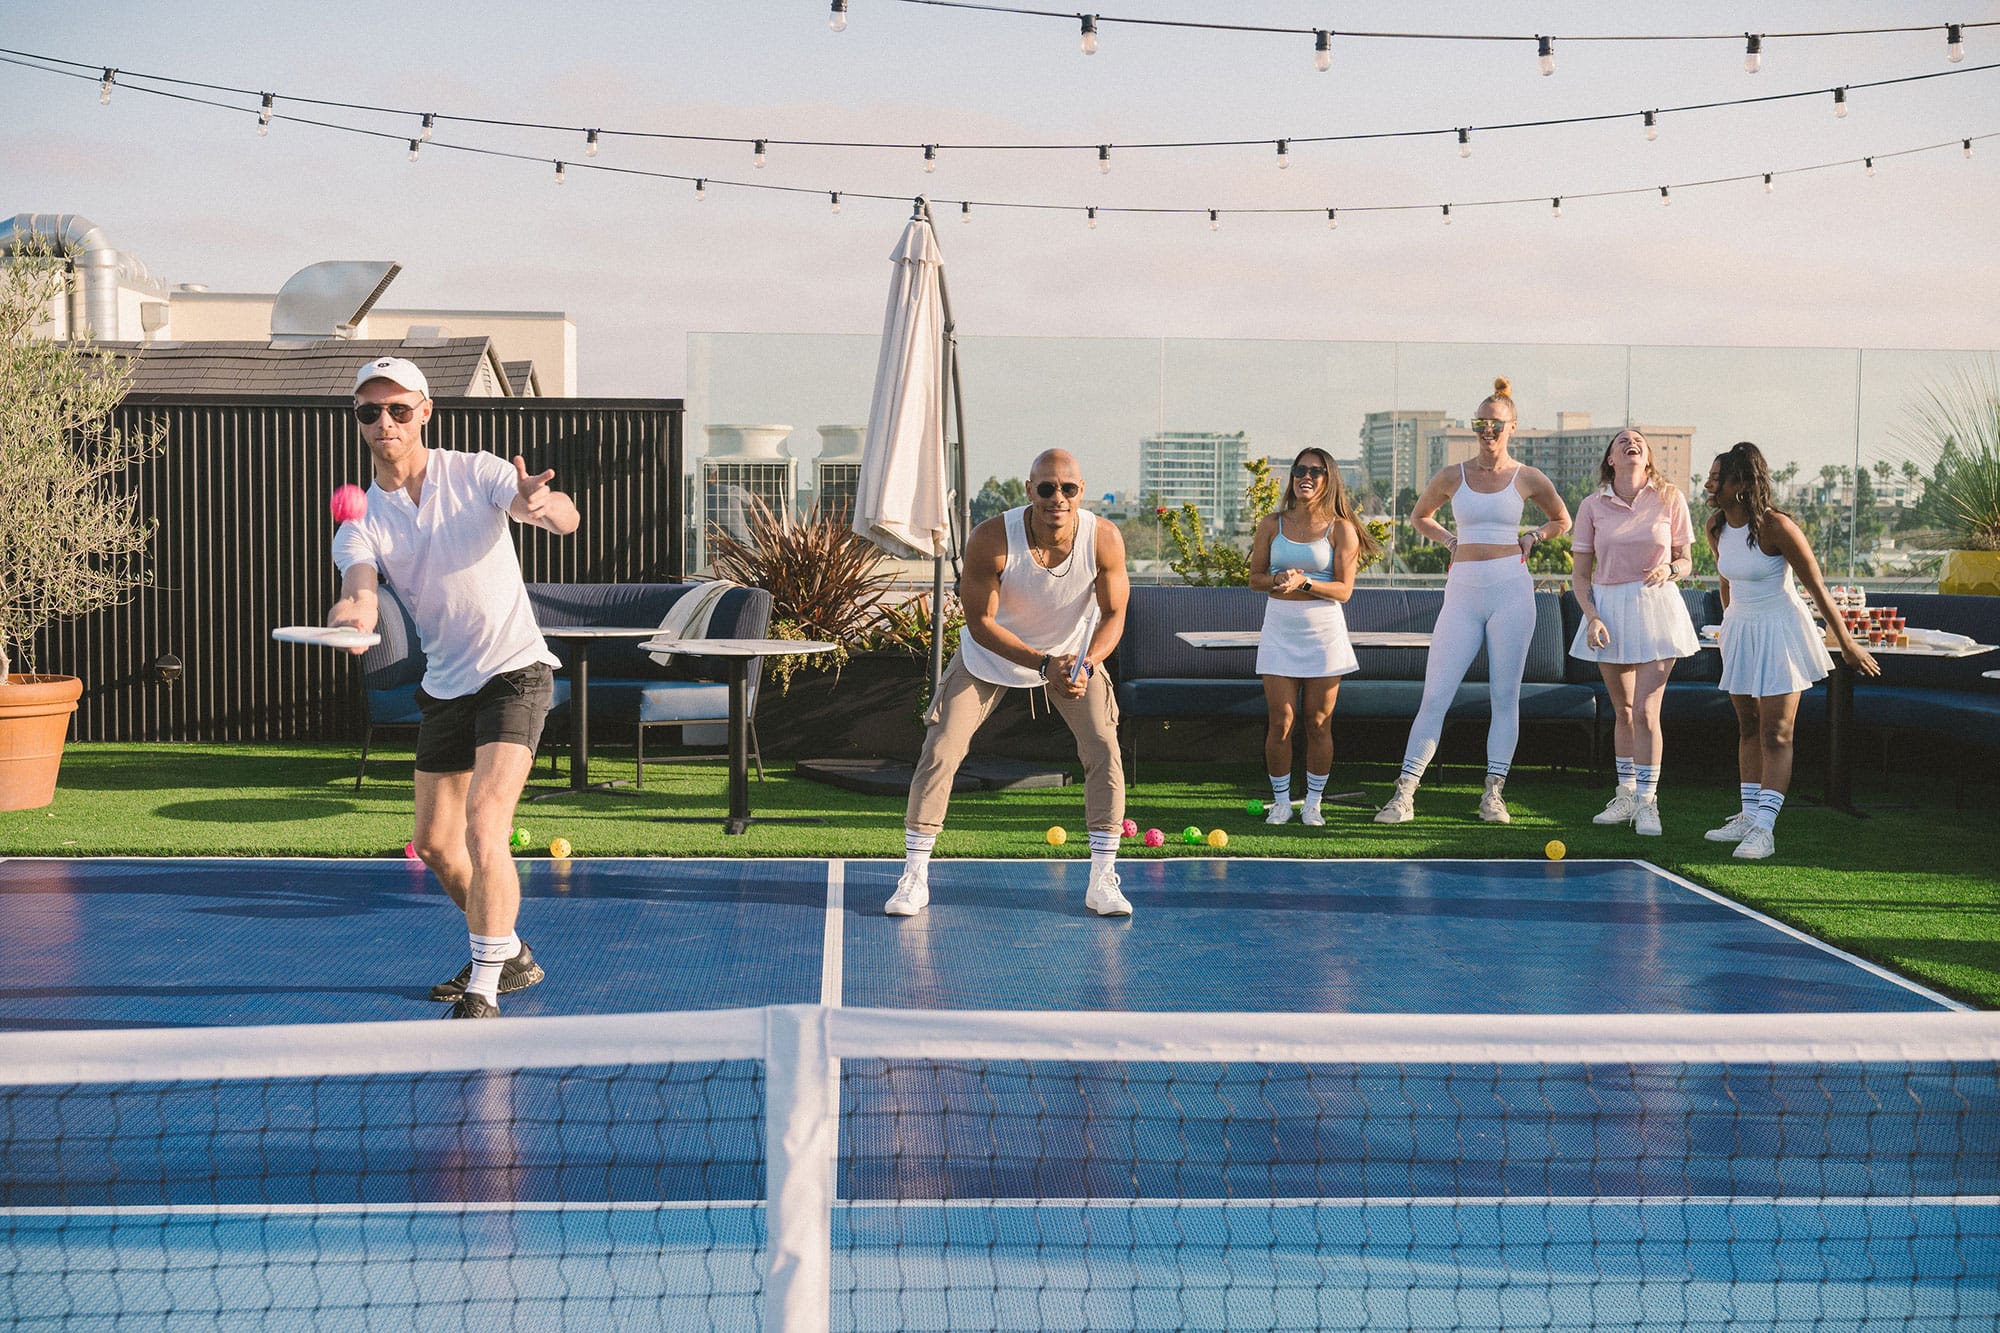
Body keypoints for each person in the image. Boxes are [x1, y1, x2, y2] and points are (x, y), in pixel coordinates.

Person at [326, 356, 581, 1016]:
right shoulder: (361, 522)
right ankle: (511, 951)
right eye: (370, 411)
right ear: (359, 421)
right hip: (446, 685)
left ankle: (485, 985)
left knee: (485, 824)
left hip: (515, 671)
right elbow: (360, 590)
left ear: (424, 413)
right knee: (437, 844)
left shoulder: (478, 472)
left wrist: (539, 502)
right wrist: (351, 615)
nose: (385, 421)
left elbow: (563, 518)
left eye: (399, 409)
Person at [886, 449, 1132, 917]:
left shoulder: (1104, 538)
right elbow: (980, 621)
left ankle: (1103, 879)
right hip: (991, 658)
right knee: (941, 749)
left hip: (1071, 658)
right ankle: (914, 876)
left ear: (1081, 491)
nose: (1057, 498)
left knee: (1103, 746)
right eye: (1046, 488)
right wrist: (1044, 665)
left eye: (1068, 489)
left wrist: (1086, 664)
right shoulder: (991, 538)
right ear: (1029, 491)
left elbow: (1115, 613)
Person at [1376, 376, 1571, 825]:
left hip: (1511, 590)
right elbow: (1419, 516)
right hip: (1462, 592)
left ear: (1513, 427)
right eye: (1480, 423)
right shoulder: (1452, 475)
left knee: (1505, 696)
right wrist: (1449, 541)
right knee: (1436, 695)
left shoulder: (1528, 477)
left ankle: (1493, 794)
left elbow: (1562, 518)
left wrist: (1534, 535)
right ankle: (1404, 793)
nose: (1487, 431)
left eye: (1496, 424)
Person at [1702, 441, 1877, 860]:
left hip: (1781, 631)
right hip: (1741, 632)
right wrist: (1729, 628)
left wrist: (1847, 645)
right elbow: (1728, 580)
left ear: (1741, 483)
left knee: (1775, 733)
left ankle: (1765, 829)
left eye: (1716, 477)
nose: (1708, 484)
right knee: (1747, 726)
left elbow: (1817, 587)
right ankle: (1747, 816)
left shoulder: (1776, 527)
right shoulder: (1715, 527)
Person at [1569, 429, 1702, 836]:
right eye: (1623, 440)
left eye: (1639, 441)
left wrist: (1671, 570)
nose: (1633, 443)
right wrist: (1592, 616)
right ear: (1611, 458)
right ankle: (1625, 795)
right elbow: (1579, 575)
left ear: (1647, 458)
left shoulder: (1670, 497)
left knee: (1646, 712)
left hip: (1657, 606)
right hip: (1608, 609)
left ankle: (1648, 803)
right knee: (1623, 712)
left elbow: (1687, 561)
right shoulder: (1592, 505)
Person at [1248, 447, 1380, 826]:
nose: (1306, 476)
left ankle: (1314, 803)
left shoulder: (1342, 529)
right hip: (1279, 628)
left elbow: (1343, 590)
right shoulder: (1271, 524)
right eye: (1300, 470)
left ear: (1329, 478)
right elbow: (1255, 579)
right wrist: (1277, 579)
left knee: (1318, 722)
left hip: (1324, 633)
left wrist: (1305, 581)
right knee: (1281, 721)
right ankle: (1281, 802)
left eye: (1316, 471)